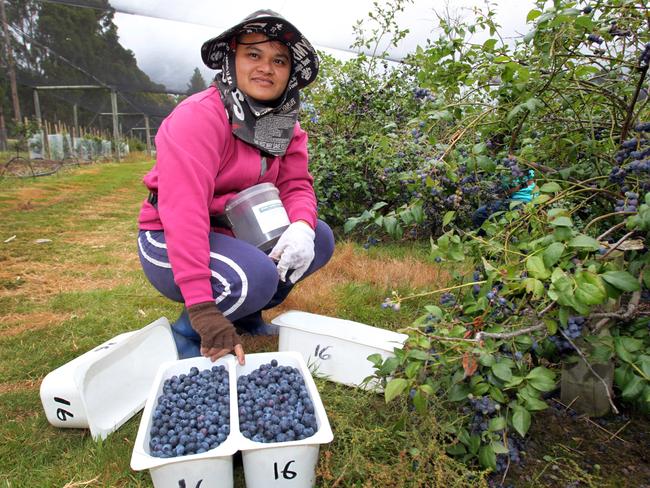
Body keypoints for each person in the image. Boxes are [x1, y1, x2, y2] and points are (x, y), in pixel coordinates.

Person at [136, 10, 335, 365]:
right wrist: (202, 309)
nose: (266, 68)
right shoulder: (199, 118)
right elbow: (184, 214)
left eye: (279, 60)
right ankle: (186, 334)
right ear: (232, 58)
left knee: (318, 238)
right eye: (253, 55)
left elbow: (296, 186)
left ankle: (245, 315)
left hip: (232, 230)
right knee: (253, 274)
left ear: (290, 73)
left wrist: (302, 226)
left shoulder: (284, 126)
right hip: (169, 236)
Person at [471, 169, 537, 229]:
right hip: (529, 204)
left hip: (519, 202)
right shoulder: (528, 172)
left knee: (479, 214)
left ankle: (482, 234)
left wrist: (497, 195)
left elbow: (514, 188)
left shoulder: (518, 171)